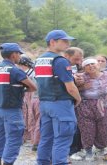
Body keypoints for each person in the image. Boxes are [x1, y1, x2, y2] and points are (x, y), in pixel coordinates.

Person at [0, 43, 37, 165]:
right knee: (14, 138)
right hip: (12, 110)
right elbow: (33, 87)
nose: (20, 56)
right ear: (13, 55)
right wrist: (21, 91)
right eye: (19, 54)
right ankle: (8, 162)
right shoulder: (16, 70)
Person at [35, 30, 81, 165]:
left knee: (46, 138)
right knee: (63, 138)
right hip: (60, 103)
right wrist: (78, 98)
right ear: (52, 42)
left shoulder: (39, 60)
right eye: (64, 41)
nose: (68, 43)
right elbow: (70, 87)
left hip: (45, 103)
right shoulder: (60, 61)